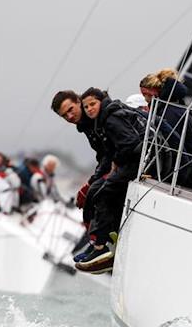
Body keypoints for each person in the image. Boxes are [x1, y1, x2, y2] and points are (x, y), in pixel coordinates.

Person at [73, 88, 147, 274]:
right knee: (96, 192)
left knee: (104, 193)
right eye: (86, 106)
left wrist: (116, 161)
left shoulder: (111, 118)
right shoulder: (102, 120)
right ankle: (98, 244)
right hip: (130, 161)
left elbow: (130, 144)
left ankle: (103, 245)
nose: (89, 109)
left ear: (101, 101)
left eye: (92, 104)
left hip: (137, 162)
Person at [51, 90, 111, 255]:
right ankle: (96, 242)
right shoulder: (85, 124)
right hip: (112, 163)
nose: (69, 116)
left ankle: (101, 244)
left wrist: (91, 182)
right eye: (64, 116)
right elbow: (102, 155)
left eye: (70, 109)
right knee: (90, 195)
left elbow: (110, 151)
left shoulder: (99, 116)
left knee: (96, 194)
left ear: (78, 101)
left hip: (124, 162)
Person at [139, 68, 192, 188]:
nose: (145, 99)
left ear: (155, 92)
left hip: (189, 172)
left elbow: (172, 144)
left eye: (146, 95)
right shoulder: (176, 107)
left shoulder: (169, 112)